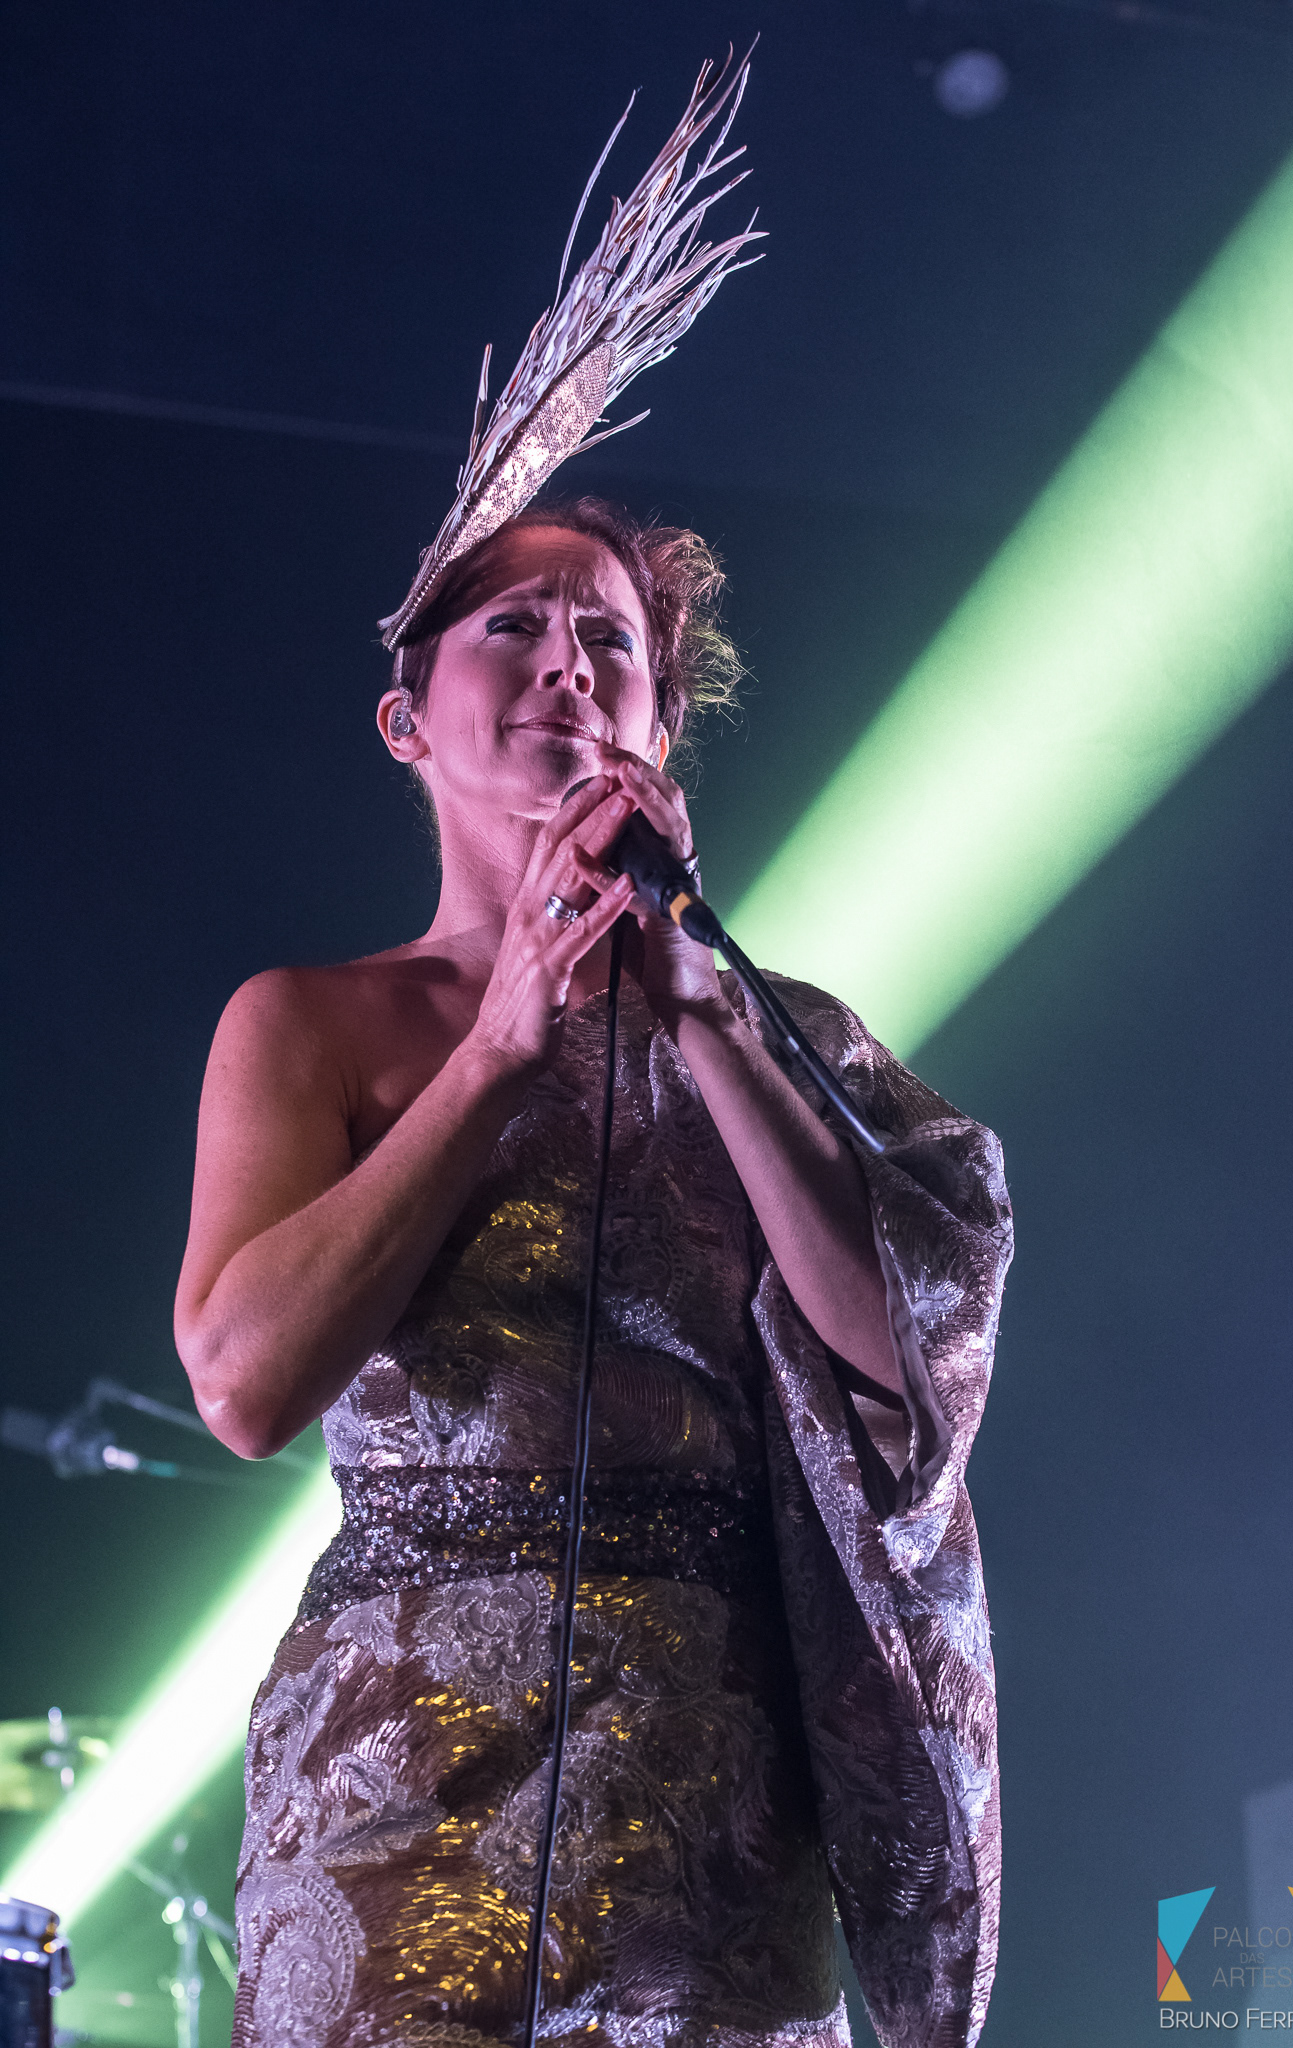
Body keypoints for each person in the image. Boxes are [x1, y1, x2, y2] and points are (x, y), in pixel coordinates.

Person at [175, 494, 1012, 2048]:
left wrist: (702, 1013)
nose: (565, 662)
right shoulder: (310, 1024)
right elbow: (242, 1381)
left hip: (708, 1802)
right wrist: (499, 1048)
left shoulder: (792, 1040)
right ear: (407, 722)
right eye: (514, 626)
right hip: (394, 1789)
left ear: (657, 736)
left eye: (608, 643)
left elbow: (905, 1392)